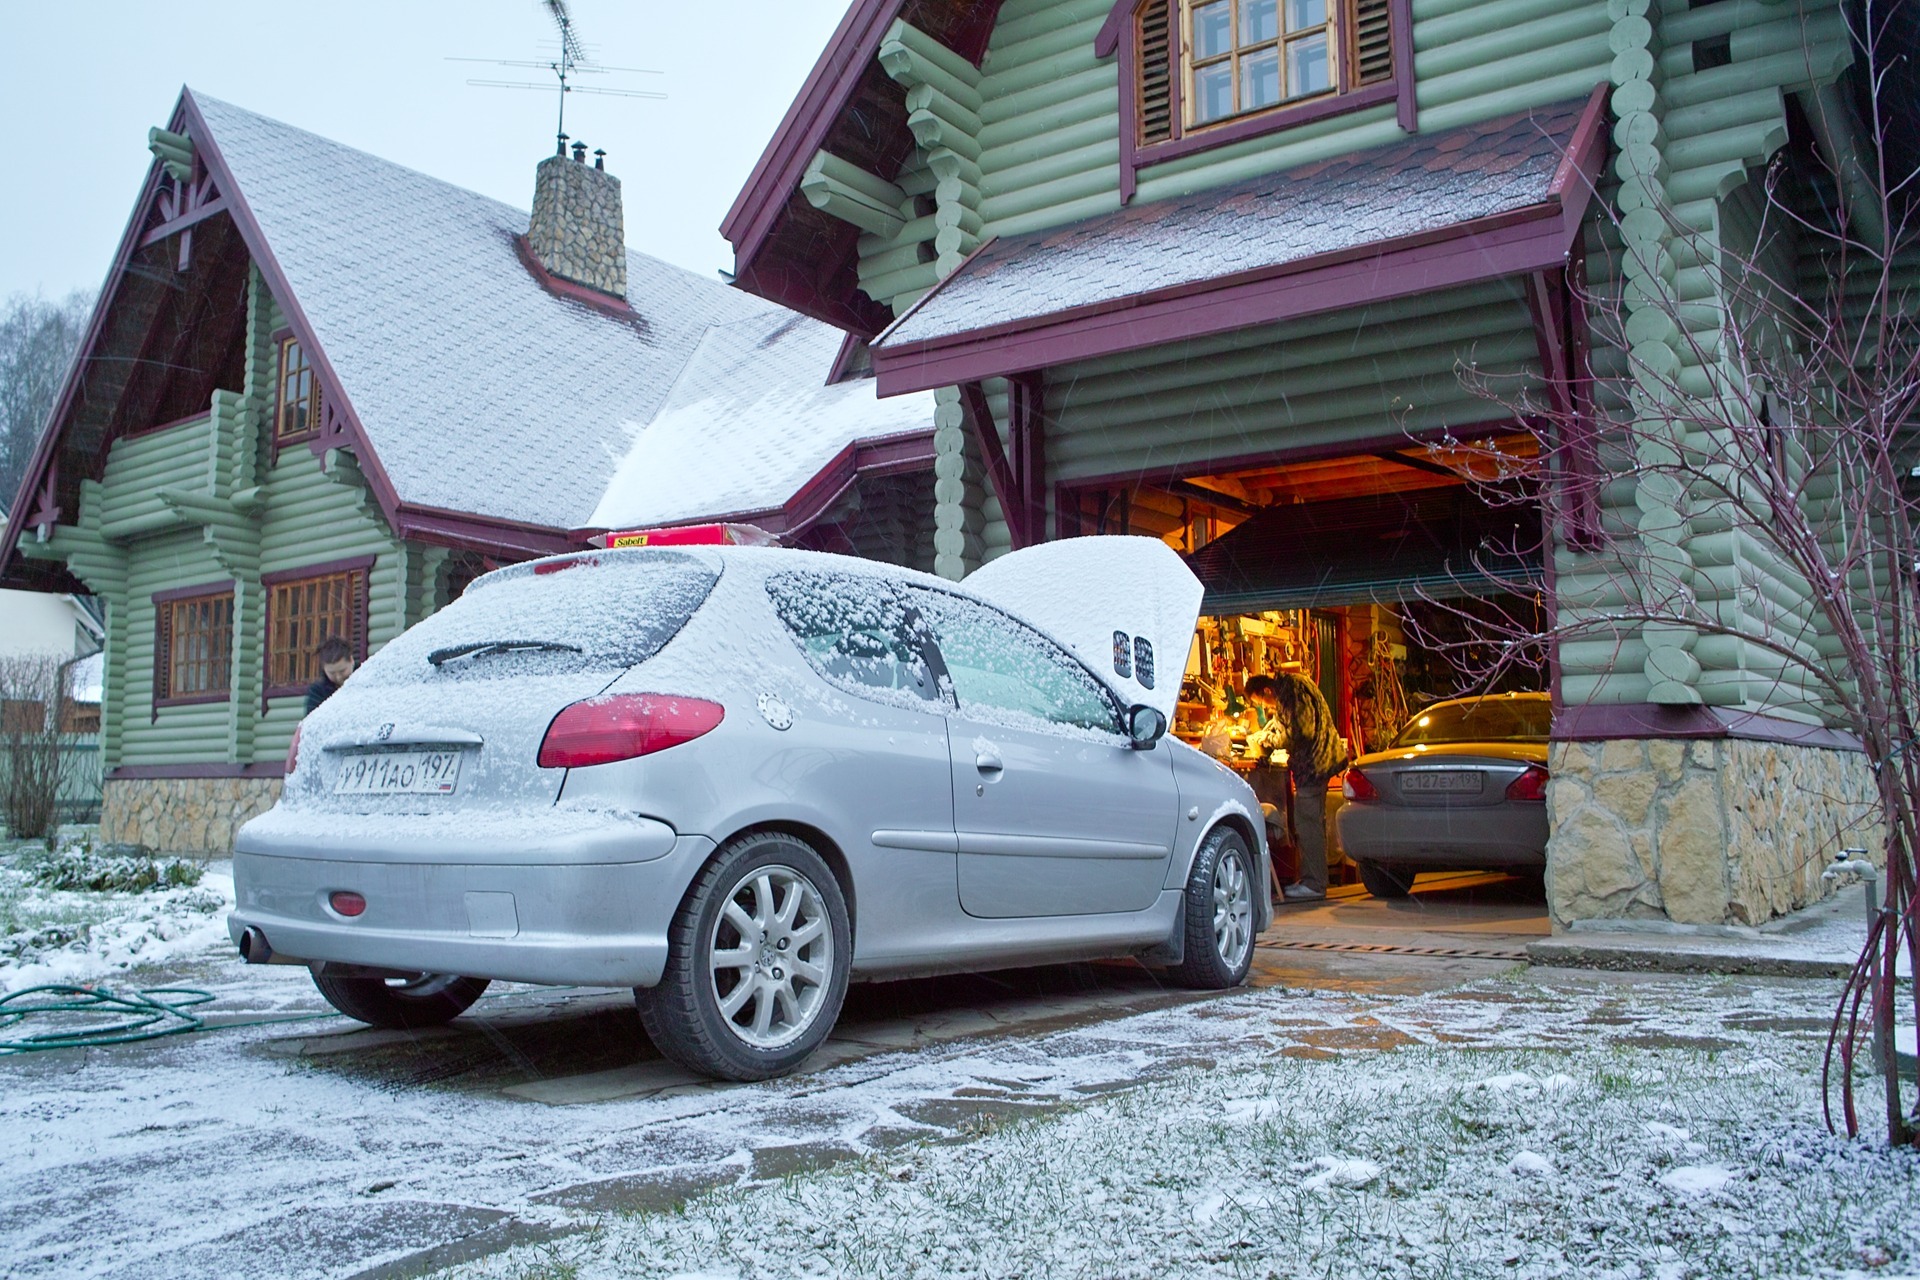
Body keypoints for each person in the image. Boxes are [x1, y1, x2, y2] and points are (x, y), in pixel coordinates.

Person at [1245, 671, 1344, 902]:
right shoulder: (1291, 687)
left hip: (1314, 764)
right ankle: (1315, 881)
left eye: (1263, 703)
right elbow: (1289, 721)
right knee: (1311, 822)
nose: (1267, 707)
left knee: (1307, 822)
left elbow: (1302, 732)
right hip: (1316, 764)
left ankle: (1314, 885)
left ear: (1267, 691)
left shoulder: (1291, 692)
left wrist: (1269, 740)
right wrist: (1273, 726)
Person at [305, 636, 356, 715]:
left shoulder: (368, 677)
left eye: (342, 671)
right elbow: (312, 720)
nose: (338, 677)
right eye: (332, 673)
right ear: (324, 668)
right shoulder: (318, 691)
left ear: (351, 660)